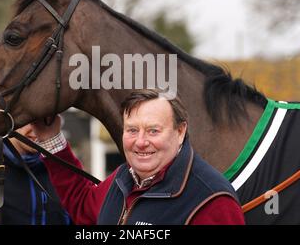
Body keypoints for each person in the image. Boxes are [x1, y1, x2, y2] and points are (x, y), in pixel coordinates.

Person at [32, 89, 245, 225]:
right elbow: (83, 205)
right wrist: (51, 139)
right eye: (132, 130)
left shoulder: (212, 201)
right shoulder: (123, 178)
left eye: (153, 131)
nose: (141, 142)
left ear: (180, 132)